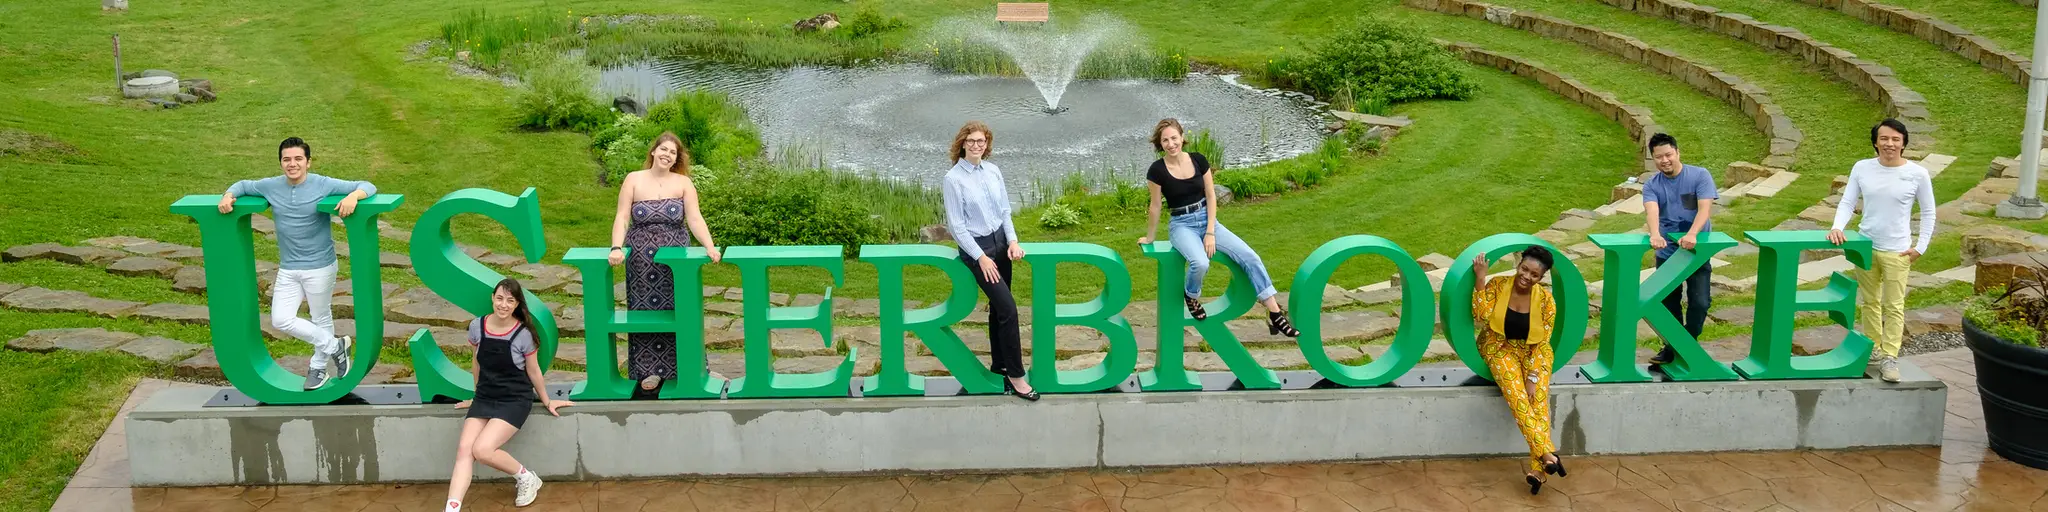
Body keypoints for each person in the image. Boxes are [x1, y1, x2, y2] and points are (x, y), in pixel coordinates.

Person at [216, 137, 376, 390]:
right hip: (289, 268)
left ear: (308, 162)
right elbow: (244, 185)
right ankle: (336, 346)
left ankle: (318, 368)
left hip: (320, 266)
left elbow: (367, 185)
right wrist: (228, 195)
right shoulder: (272, 186)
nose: (292, 164)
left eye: (298, 159)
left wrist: (353, 197)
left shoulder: (322, 184)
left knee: (320, 315)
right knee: (280, 319)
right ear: (280, 163)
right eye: (286, 159)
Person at [1136, 118, 1298, 337]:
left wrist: (1210, 231)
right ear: (1160, 144)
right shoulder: (1157, 171)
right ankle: (1191, 295)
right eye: (1165, 140)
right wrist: (1150, 237)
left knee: (1250, 257)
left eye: (1174, 138)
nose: (1171, 143)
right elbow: (1155, 206)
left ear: (1182, 138)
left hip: (1208, 219)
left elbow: (1211, 195)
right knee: (1200, 262)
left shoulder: (1198, 160)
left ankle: (1274, 313)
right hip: (1182, 225)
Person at [443, 278, 574, 511]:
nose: (503, 304)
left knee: (482, 450)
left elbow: (533, 371)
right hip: (484, 397)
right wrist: (476, 395)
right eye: (500, 298)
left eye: (510, 300)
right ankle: (451, 508)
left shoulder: (523, 334)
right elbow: (476, 363)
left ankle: (526, 477)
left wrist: (546, 399)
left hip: (514, 399)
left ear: (516, 305)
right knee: (464, 450)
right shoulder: (477, 327)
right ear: (492, 298)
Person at [608, 132, 721, 397]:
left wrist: (709, 245)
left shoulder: (683, 183)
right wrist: (615, 247)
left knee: (680, 309)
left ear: (676, 159)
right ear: (653, 151)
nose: (667, 155)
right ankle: (649, 371)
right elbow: (623, 216)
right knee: (645, 310)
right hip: (641, 259)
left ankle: (688, 366)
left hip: (676, 259)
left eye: (673, 153)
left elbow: (694, 219)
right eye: (663, 149)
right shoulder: (633, 179)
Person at [1829, 118, 1936, 383]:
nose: (1890, 144)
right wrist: (1837, 227)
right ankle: (1873, 350)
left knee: (1894, 305)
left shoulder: (1917, 173)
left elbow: (1928, 211)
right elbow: (1847, 201)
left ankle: (1890, 356)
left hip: (1898, 251)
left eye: (1895, 139)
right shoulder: (1862, 168)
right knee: (1869, 302)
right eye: (1884, 139)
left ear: (1903, 143)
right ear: (1876, 142)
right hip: (1867, 246)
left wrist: (1920, 247)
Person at [941, 120, 1038, 401]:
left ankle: (1000, 366)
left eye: (981, 141)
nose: (976, 145)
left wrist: (1013, 241)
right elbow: (957, 228)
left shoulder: (993, 170)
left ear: (987, 144)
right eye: (970, 141)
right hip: (978, 250)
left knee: (998, 309)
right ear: (962, 143)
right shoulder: (954, 179)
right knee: (1009, 309)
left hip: (999, 244)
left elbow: (1004, 211)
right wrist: (981, 257)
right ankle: (1018, 377)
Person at [1469, 247, 1568, 495]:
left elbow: (1542, 342)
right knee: (1519, 399)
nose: (1526, 276)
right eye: (1524, 269)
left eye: (1534, 274)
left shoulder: (1546, 300)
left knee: (1538, 400)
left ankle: (1539, 469)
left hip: (1534, 352)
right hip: (1499, 347)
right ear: (1519, 264)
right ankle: (1547, 453)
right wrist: (1480, 278)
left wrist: (1533, 377)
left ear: (1541, 278)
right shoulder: (1499, 284)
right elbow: (1480, 316)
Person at [1640, 133, 1717, 368]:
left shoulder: (1699, 175)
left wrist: (1693, 233)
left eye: (1668, 155)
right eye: (1658, 157)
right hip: (1667, 253)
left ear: (1677, 152)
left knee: (1700, 302)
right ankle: (1672, 346)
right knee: (1668, 303)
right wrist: (1655, 234)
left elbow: (1705, 209)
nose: (1664, 160)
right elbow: (1652, 211)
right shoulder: (1652, 185)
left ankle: (1686, 344)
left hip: (1696, 252)